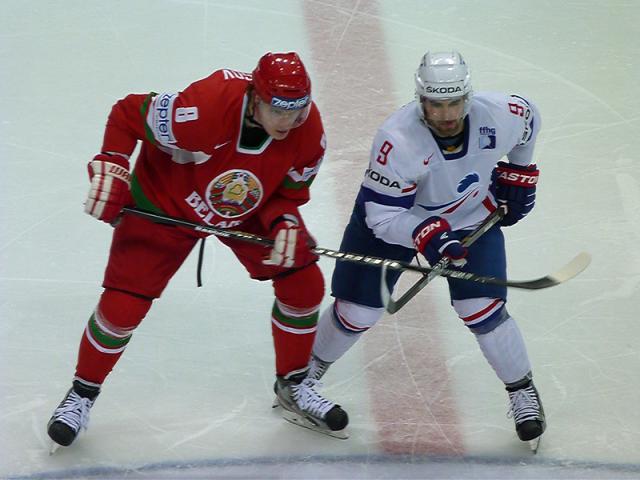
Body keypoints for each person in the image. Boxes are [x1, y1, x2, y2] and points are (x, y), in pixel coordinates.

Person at [47, 52, 349, 449]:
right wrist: (113, 163)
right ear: (255, 98)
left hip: (245, 208)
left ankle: (293, 384)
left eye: (299, 110)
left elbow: (285, 193)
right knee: (122, 309)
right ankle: (81, 395)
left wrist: (283, 222)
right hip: (164, 204)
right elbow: (127, 112)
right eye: (279, 110)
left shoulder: (308, 133)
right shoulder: (202, 109)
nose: (290, 121)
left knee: (303, 283)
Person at [307, 51, 545, 447]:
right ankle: (301, 380)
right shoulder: (396, 139)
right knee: (358, 310)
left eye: (455, 102)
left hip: (469, 215)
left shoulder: (501, 113)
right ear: (421, 100)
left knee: (481, 308)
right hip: (396, 217)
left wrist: (520, 171)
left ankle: (522, 392)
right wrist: (427, 234)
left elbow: (530, 117)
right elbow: (382, 217)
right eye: (436, 104)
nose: (448, 114)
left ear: (468, 96)